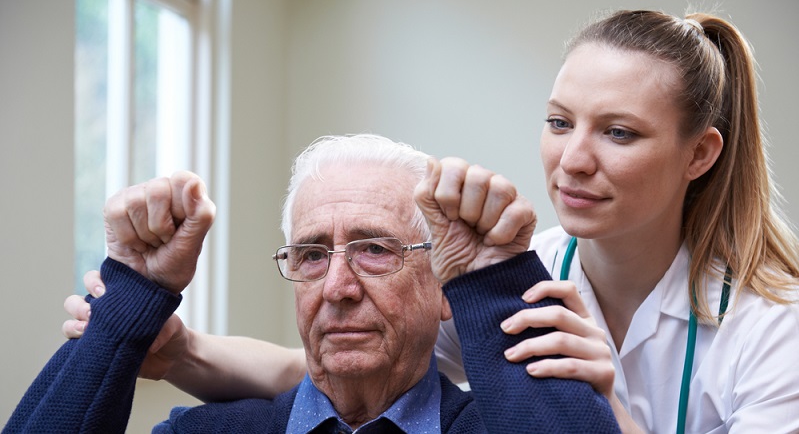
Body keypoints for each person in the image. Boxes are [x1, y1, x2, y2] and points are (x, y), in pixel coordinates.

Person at [62, 8, 799, 433]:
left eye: (617, 132)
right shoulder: (513, 274)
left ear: (699, 153)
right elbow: (342, 357)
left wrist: (605, 410)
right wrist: (168, 346)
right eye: (557, 120)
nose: (571, 159)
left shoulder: (773, 328)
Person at [6, 135, 620, 433]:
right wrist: (130, 299)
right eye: (310, 255)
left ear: (443, 288)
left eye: (376, 250)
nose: (337, 287)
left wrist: (492, 284)